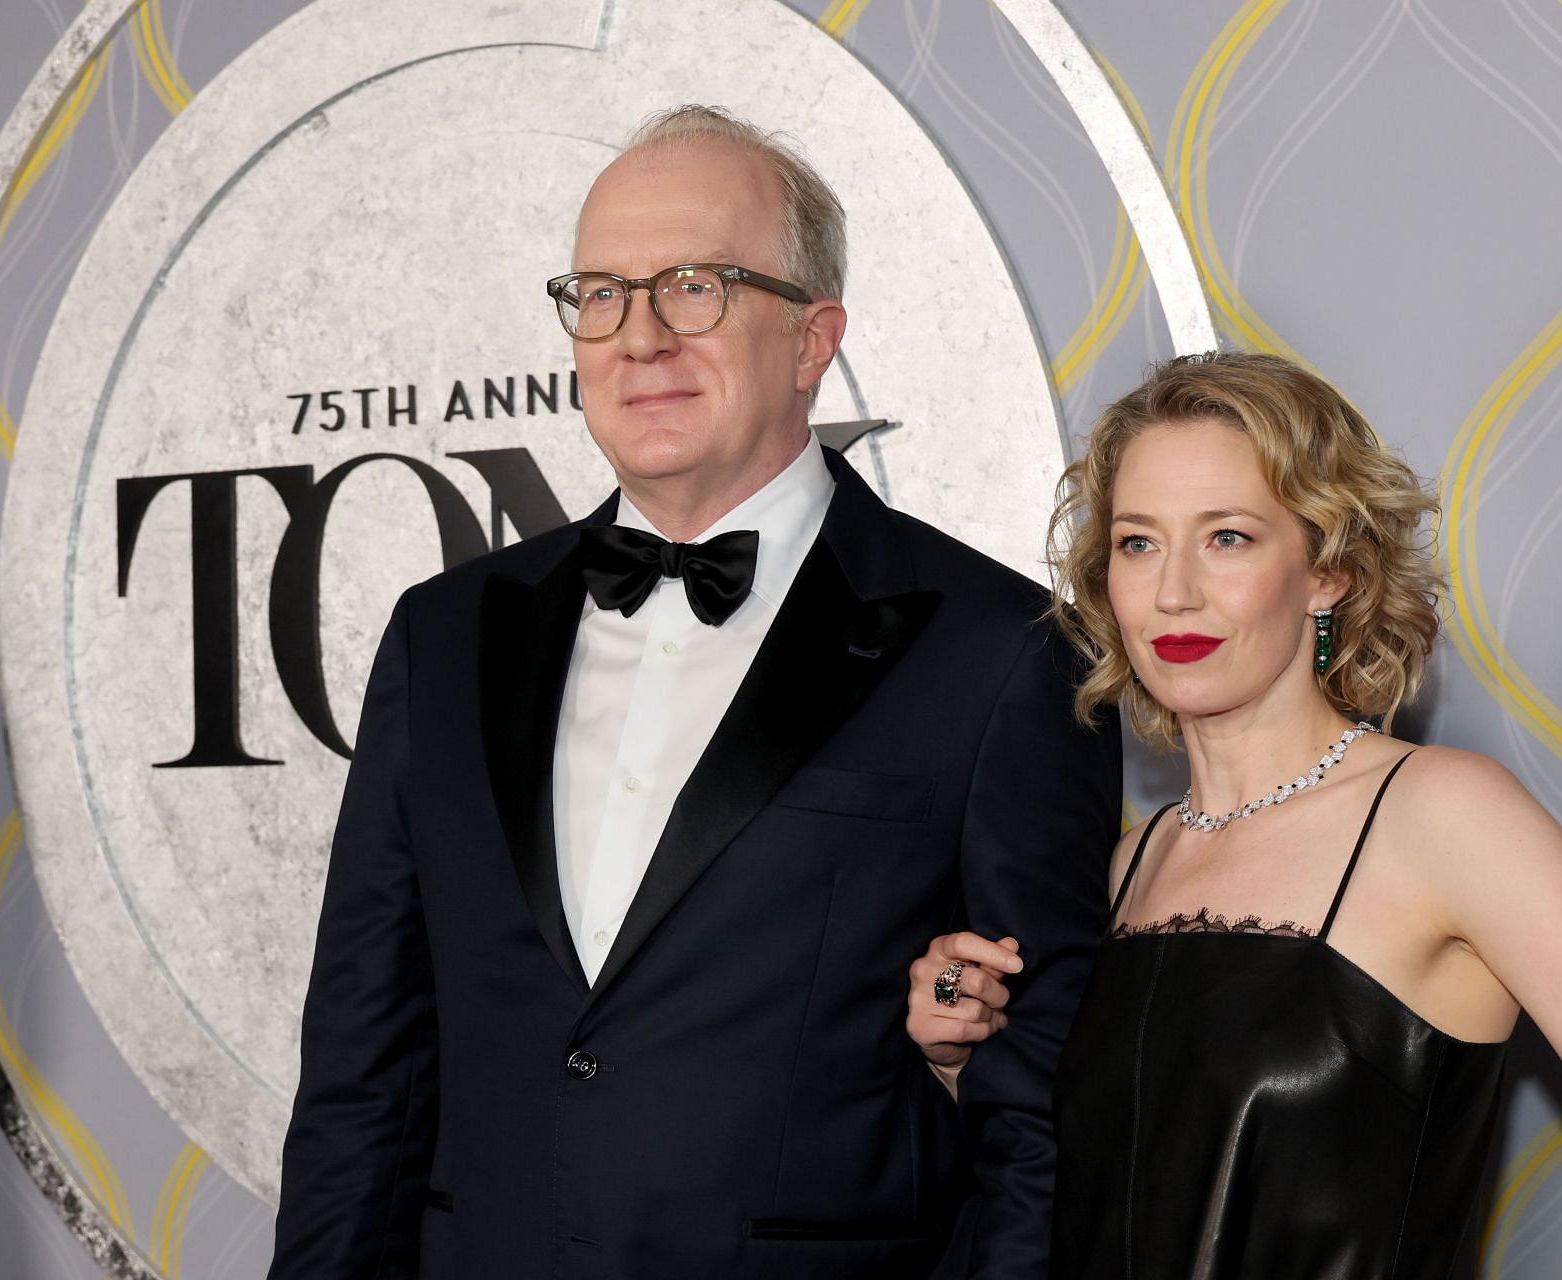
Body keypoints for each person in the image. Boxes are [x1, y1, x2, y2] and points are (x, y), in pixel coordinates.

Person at [269, 105, 1120, 1279]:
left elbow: (1039, 1122)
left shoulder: (999, 654)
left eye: (697, 287)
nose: (640, 337)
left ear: (814, 338)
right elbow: (365, 1070)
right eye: (602, 294)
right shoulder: (443, 636)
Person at [907, 351, 1562, 1279]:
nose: (1173, 592)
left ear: (1328, 572)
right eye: (1138, 542)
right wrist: (963, 1062)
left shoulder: (1443, 819)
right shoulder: (1132, 863)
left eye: (1228, 538)